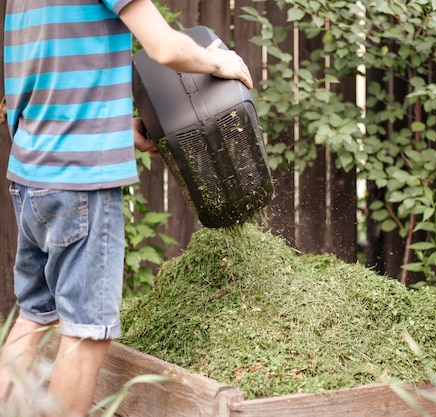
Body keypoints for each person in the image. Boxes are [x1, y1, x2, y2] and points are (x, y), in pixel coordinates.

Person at [0, 0, 253, 416]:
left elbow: (44, 75)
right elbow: (165, 47)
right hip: (81, 182)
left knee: (34, 318)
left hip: (33, 175)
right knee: (87, 333)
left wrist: (121, 129)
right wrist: (214, 61)